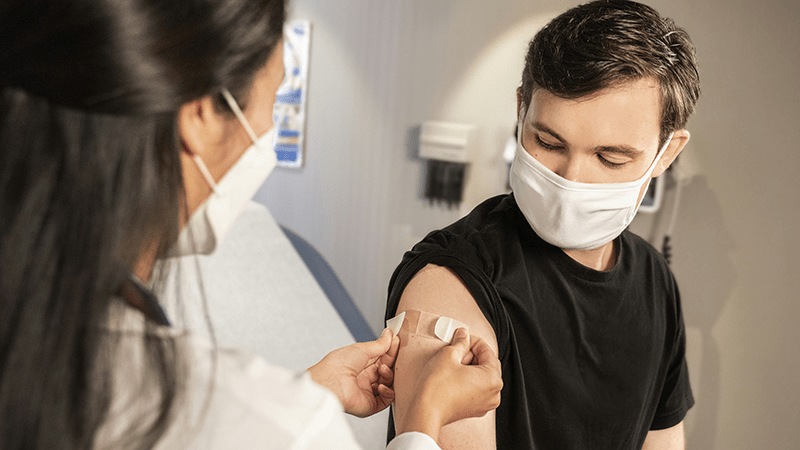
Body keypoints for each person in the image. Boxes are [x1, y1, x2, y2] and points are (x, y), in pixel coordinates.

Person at [0, 0, 502, 449]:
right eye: (278, 100)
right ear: (199, 115)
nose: (267, 129)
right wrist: (420, 423)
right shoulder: (276, 425)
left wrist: (307, 391)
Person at [385, 1, 700, 449]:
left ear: (665, 154)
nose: (570, 179)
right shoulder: (453, 280)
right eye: (548, 141)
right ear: (521, 111)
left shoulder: (656, 283)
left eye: (610, 158)